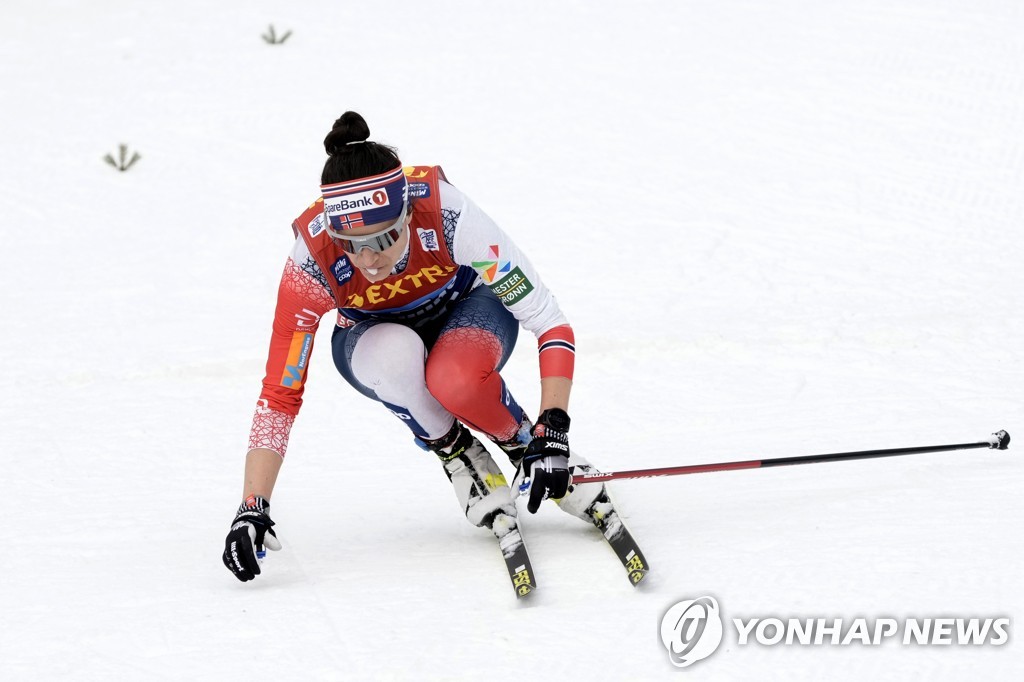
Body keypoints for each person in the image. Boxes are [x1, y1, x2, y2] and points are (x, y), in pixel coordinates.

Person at [222, 111, 613, 582]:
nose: (368, 260)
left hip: (470, 310)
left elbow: (548, 321)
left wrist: (554, 427)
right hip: (377, 340)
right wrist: (251, 506)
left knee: (454, 376)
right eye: (350, 243)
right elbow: (279, 394)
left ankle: (525, 445)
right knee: (392, 354)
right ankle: (458, 453)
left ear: (408, 212)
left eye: (384, 237)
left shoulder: (447, 212)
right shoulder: (310, 263)